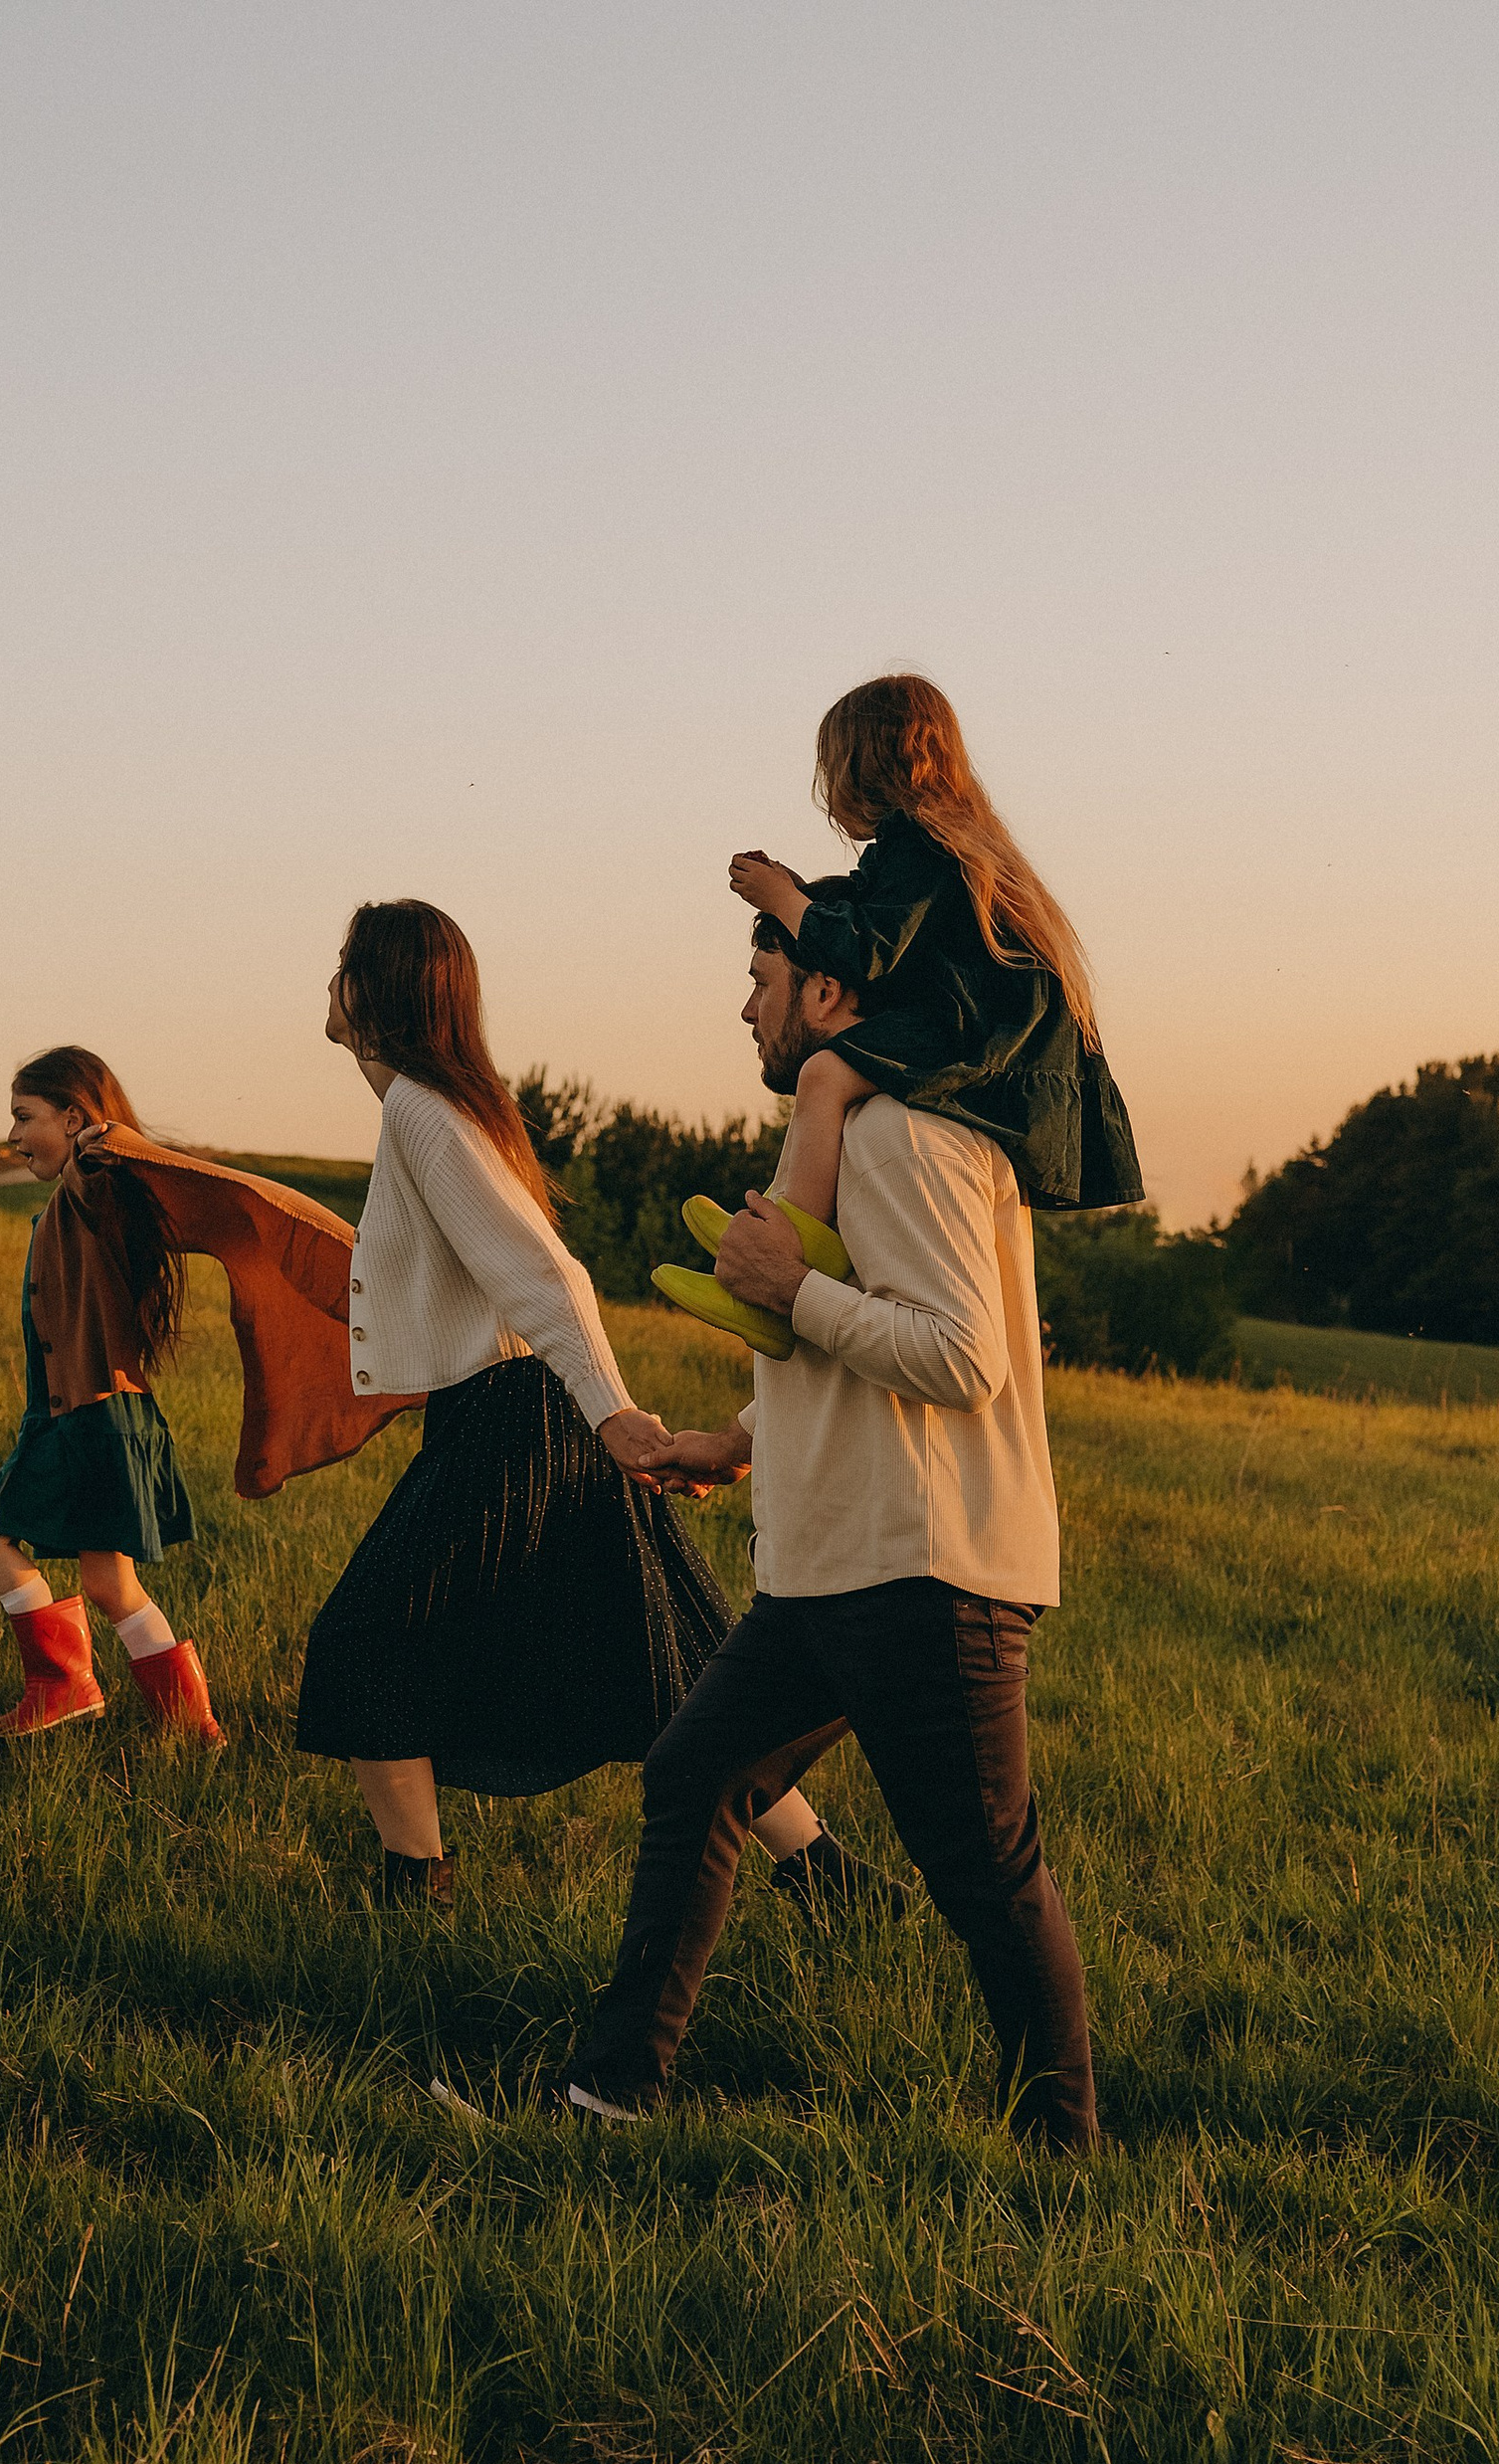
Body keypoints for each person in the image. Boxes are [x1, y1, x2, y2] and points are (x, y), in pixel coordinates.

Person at [558, 917, 1101, 2154]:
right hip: (833, 1569)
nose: (745, 1011)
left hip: (923, 1569)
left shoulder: (907, 1136)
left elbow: (959, 1355)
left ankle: (1062, 2155)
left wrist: (786, 1286)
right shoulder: (857, 1132)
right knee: (694, 1777)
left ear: (829, 988)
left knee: (984, 1874)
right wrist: (730, 1440)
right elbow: (856, 1348)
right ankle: (608, 2097)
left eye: (759, 983)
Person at [293, 899, 893, 1917]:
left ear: (381, 987)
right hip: (531, 1412)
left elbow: (548, 1275)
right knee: (661, 1653)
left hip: (514, 1416)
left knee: (365, 1637)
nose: (329, 982)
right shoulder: (430, 1101)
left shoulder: (423, 1115)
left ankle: (412, 1903)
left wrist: (610, 1413)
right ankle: (834, 1882)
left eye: (344, 965)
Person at [653, 670, 1143, 1358]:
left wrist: (780, 903)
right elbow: (863, 908)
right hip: (985, 1027)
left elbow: (870, 950)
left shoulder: (922, 843)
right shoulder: (937, 844)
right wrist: (794, 887)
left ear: (862, 765)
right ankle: (774, 1231)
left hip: (975, 1032)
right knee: (828, 1076)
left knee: (824, 1072)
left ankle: (782, 1241)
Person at [0, 1043, 403, 1743]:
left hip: (88, 1420)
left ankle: (62, 1684)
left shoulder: (91, 1178)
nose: (12, 1135)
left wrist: (103, 1146)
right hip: (106, 1416)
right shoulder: (80, 1194)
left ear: (74, 1115)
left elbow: (101, 1166)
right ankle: (194, 1729)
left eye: (24, 1116)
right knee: (110, 1586)